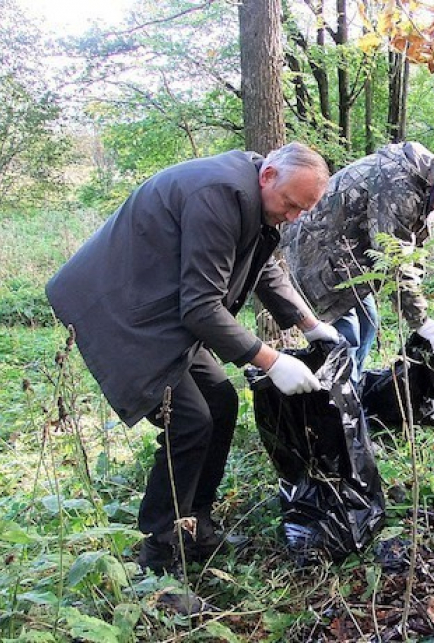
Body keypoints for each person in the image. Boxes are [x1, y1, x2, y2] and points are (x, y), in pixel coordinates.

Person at [46, 143, 340, 575]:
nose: (293, 217)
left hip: (163, 311)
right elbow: (201, 307)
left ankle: (195, 523)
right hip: (124, 311)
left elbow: (262, 265)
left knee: (221, 403)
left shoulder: (254, 197)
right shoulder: (219, 194)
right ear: (268, 176)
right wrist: (271, 361)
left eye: (303, 210)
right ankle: (158, 557)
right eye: (291, 205)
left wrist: (309, 323)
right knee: (189, 421)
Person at [282, 142, 434, 383]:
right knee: (345, 336)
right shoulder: (398, 182)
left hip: (349, 262)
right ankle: (331, 406)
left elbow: (413, 253)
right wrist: (420, 320)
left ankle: (350, 395)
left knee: (368, 323)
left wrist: (417, 306)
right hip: (316, 255)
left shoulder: (426, 190)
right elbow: (394, 257)